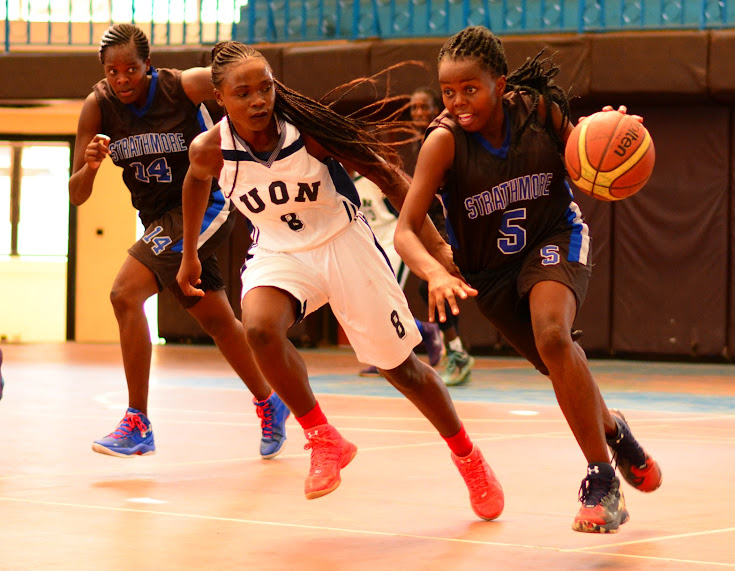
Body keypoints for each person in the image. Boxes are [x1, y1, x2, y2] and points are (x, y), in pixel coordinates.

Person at [176, 40, 504, 520]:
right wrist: (189, 255)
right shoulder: (210, 149)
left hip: (344, 243)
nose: (258, 100)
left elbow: (391, 177)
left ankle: (468, 457)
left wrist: (437, 251)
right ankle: (322, 437)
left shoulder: (307, 134)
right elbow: (194, 183)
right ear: (219, 100)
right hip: (278, 250)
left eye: (265, 88)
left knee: (402, 369)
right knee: (260, 328)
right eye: (243, 93)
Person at [394, 26, 662, 533]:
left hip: (554, 237)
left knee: (553, 334)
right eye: (448, 92)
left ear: (499, 80)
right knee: (557, 364)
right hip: (488, 275)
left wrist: (613, 132)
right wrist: (432, 270)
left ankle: (601, 479)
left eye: (469, 88)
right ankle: (615, 431)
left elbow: (590, 148)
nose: (457, 102)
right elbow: (406, 230)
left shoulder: (538, 112)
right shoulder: (444, 143)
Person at [68, 24, 289, 459]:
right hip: (158, 220)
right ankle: (271, 401)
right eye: (113, 72)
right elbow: (76, 195)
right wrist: (90, 167)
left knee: (124, 294)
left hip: (209, 202)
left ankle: (137, 422)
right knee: (218, 322)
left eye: (131, 68)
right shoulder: (97, 109)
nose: (122, 79)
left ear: (147, 65)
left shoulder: (183, 85)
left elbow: (250, 80)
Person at [407, 87, 475, 386]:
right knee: (430, 288)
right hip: (432, 222)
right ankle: (457, 351)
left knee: (432, 287)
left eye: (424, 107)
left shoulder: (445, 137)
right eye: (413, 108)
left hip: (453, 220)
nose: (418, 113)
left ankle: (457, 351)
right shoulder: (422, 142)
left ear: (437, 107)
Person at [350, 170, 443, 377]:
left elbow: (406, 197)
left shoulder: (371, 176)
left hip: (393, 243)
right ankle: (424, 329)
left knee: (384, 304)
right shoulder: (336, 179)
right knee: (367, 305)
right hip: (369, 245)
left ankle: (386, 358)